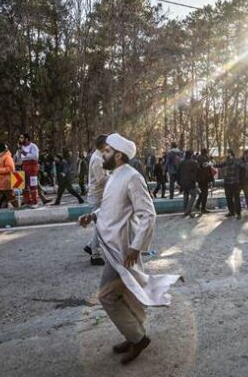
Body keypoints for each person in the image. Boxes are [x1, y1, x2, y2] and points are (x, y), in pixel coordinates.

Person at [77, 133, 181, 365]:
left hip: (122, 251)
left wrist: (136, 248)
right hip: (111, 247)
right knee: (126, 294)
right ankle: (133, 334)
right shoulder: (114, 176)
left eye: (106, 151)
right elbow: (111, 209)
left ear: (119, 155)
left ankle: (138, 337)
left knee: (107, 297)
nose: (102, 155)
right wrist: (92, 215)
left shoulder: (132, 177)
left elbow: (148, 214)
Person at [85, 135, 109, 265]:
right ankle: (94, 254)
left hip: (100, 196)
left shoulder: (99, 157)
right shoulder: (97, 159)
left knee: (101, 225)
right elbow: (101, 180)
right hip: (97, 197)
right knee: (102, 226)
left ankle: (90, 246)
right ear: (103, 144)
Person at [215, 150, 247, 220]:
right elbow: (220, 165)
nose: (226, 155)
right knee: (228, 198)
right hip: (227, 183)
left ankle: (238, 213)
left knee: (236, 198)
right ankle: (231, 212)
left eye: (227, 153)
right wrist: (212, 164)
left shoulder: (237, 161)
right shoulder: (227, 161)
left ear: (230, 154)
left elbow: (244, 166)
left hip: (235, 183)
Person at [18, 133, 40, 205]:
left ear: (26, 139)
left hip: (32, 167)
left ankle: (34, 201)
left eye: (22, 138)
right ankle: (27, 200)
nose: (20, 139)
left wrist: (24, 153)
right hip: (24, 166)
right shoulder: (22, 147)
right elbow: (19, 158)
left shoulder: (33, 146)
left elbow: (35, 157)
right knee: (24, 185)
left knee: (33, 185)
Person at [178, 150, 199, 218]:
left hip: (183, 182)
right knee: (194, 195)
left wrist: (179, 182)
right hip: (190, 182)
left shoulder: (181, 163)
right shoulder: (193, 163)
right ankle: (188, 210)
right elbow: (196, 173)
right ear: (191, 155)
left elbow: (178, 172)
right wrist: (195, 181)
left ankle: (185, 210)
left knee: (185, 195)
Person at [195, 148, 214, 214]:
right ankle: (203, 208)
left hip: (200, 179)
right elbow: (206, 168)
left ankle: (197, 205)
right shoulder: (204, 159)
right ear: (206, 153)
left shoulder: (198, 158)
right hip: (204, 179)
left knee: (202, 193)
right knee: (205, 193)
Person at [239, 150, 248, 216]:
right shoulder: (240, 160)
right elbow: (245, 167)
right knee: (236, 196)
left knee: (247, 195)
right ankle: (236, 209)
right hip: (239, 181)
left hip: (245, 181)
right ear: (245, 154)